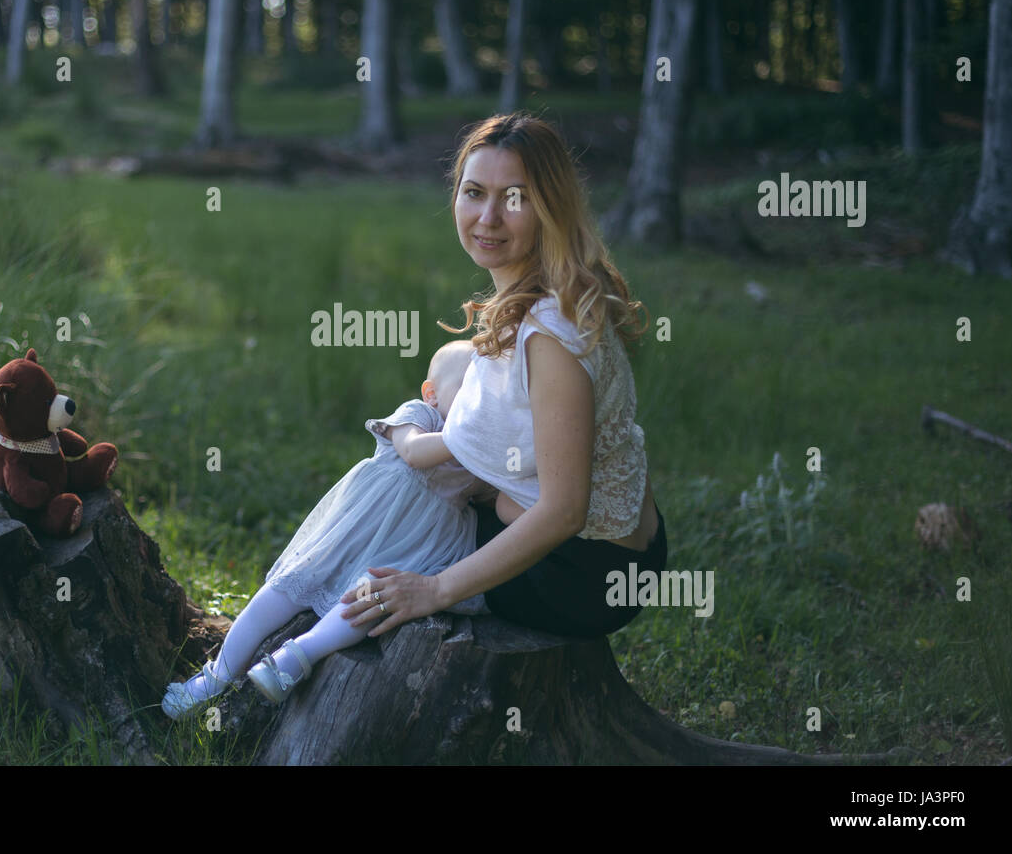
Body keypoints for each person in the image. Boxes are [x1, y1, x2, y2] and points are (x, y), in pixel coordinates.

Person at [339, 111, 668, 639]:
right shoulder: (539, 295)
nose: (488, 217)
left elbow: (564, 512)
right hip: (603, 545)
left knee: (391, 528)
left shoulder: (552, 332)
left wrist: (437, 588)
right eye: (474, 192)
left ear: (549, 209)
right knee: (403, 499)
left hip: (588, 573)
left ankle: (283, 656)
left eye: (515, 198)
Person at [161, 340, 494, 719]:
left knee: (368, 597)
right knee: (284, 589)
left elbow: (498, 499)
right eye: (471, 391)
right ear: (432, 394)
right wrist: (466, 442)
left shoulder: (475, 456)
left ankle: (298, 656)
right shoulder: (419, 418)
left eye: (490, 399)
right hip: (349, 534)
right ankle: (216, 676)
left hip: (409, 551)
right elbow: (415, 453)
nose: (479, 406)